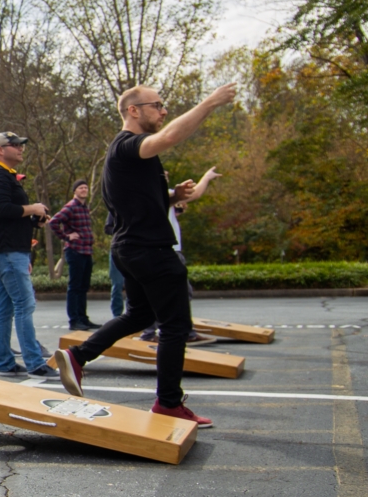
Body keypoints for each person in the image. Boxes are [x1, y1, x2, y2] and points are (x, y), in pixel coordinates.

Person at [50, 84, 237, 427]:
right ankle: (168, 403)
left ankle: (77, 356)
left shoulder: (124, 157)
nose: (163, 112)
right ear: (133, 110)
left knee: (138, 315)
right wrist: (210, 102)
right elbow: (165, 139)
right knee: (176, 326)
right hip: (150, 251)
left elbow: (134, 201)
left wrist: (171, 195)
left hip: (130, 249)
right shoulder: (127, 146)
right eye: (157, 106)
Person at [0, 132, 58, 378]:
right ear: (1, 150)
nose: (21, 149)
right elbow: (3, 210)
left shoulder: (5, 176)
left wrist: (35, 219)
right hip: (7, 252)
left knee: (5, 306)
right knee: (25, 303)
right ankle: (35, 363)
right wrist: (33, 208)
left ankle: (5, 362)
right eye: (15, 145)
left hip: (9, 249)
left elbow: (7, 214)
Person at [140, 167, 222, 343]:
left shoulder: (158, 194)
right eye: (163, 176)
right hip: (166, 250)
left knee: (168, 292)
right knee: (178, 292)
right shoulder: (158, 194)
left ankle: (160, 332)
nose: (166, 179)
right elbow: (194, 194)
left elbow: (189, 197)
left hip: (164, 249)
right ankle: (172, 332)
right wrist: (205, 177)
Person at [47, 179, 101, 331]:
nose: (84, 190)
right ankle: (74, 320)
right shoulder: (70, 207)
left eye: (85, 188)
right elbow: (54, 222)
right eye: (81, 188)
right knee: (75, 287)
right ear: (75, 191)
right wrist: (66, 236)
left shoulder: (84, 207)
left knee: (83, 287)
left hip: (86, 251)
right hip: (75, 250)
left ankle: (83, 318)